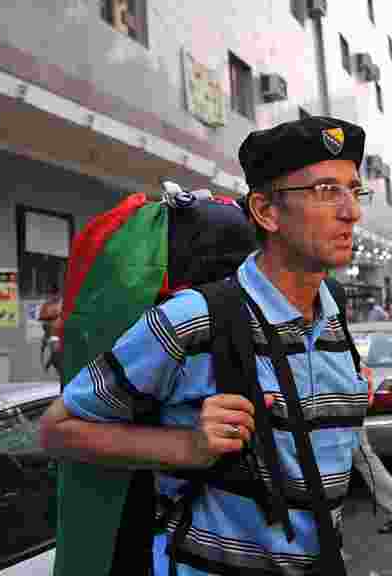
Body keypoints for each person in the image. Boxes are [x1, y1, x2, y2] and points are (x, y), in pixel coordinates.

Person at [40, 116, 374, 576]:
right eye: (323, 191)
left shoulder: (334, 318)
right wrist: (189, 446)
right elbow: (56, 430)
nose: (350, 211)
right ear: (266, 211)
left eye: (354, 191)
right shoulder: (193, 320)